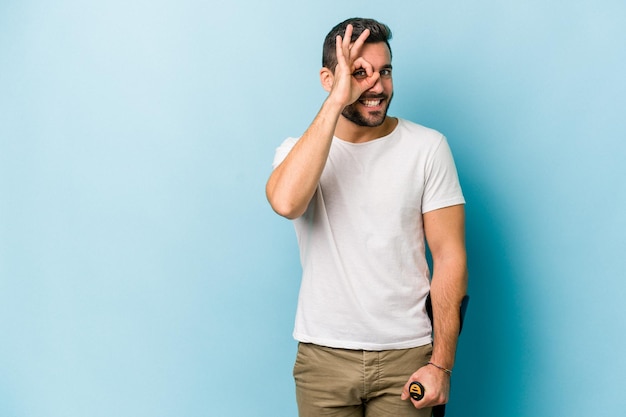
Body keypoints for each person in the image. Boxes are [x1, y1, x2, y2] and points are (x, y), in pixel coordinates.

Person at [266, 17, 467, 417]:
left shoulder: (427, 148)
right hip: (323, 358)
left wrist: (441, 364)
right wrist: (337, 101)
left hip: (406, 356)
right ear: (329, 78)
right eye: (360, 73)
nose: (376, 86)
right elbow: (287, 203)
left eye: (385, 71)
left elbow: (449, 258)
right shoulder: (296, 151)